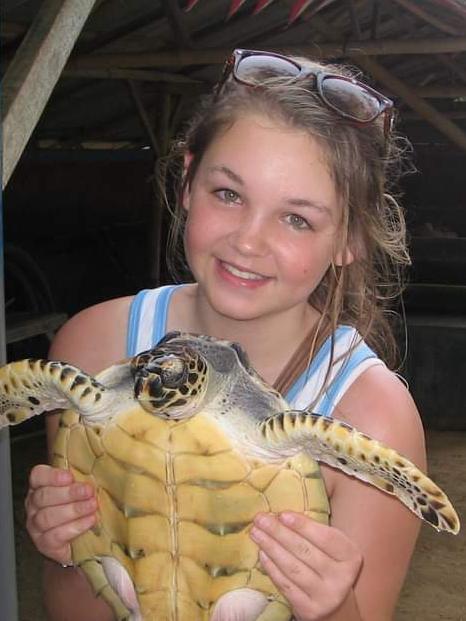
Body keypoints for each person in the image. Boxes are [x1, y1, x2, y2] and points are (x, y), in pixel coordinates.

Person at [25, 49, 426, 621]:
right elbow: (77, 603)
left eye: (297, 218)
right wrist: (63, 552)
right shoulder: (93, 348)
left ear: (349, 240)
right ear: (188, 182)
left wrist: (334, 607)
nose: (248, 241)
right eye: (229, 194)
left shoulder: (371, 420)